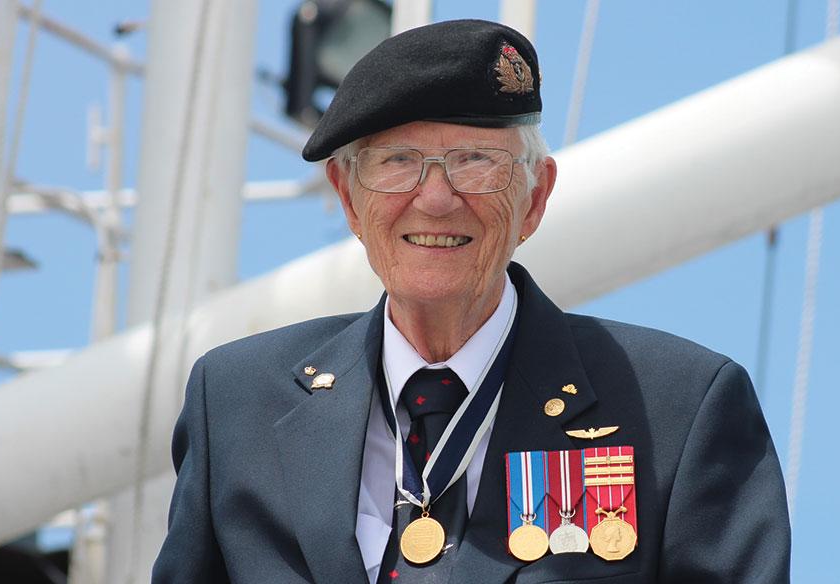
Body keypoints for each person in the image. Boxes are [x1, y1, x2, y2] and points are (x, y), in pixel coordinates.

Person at [153, 19, 790, 584]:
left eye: (476, 162)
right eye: (399, 161)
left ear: (535, 199)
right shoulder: (237, 403)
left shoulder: (676, 408)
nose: (435, 199)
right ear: (349, 198)